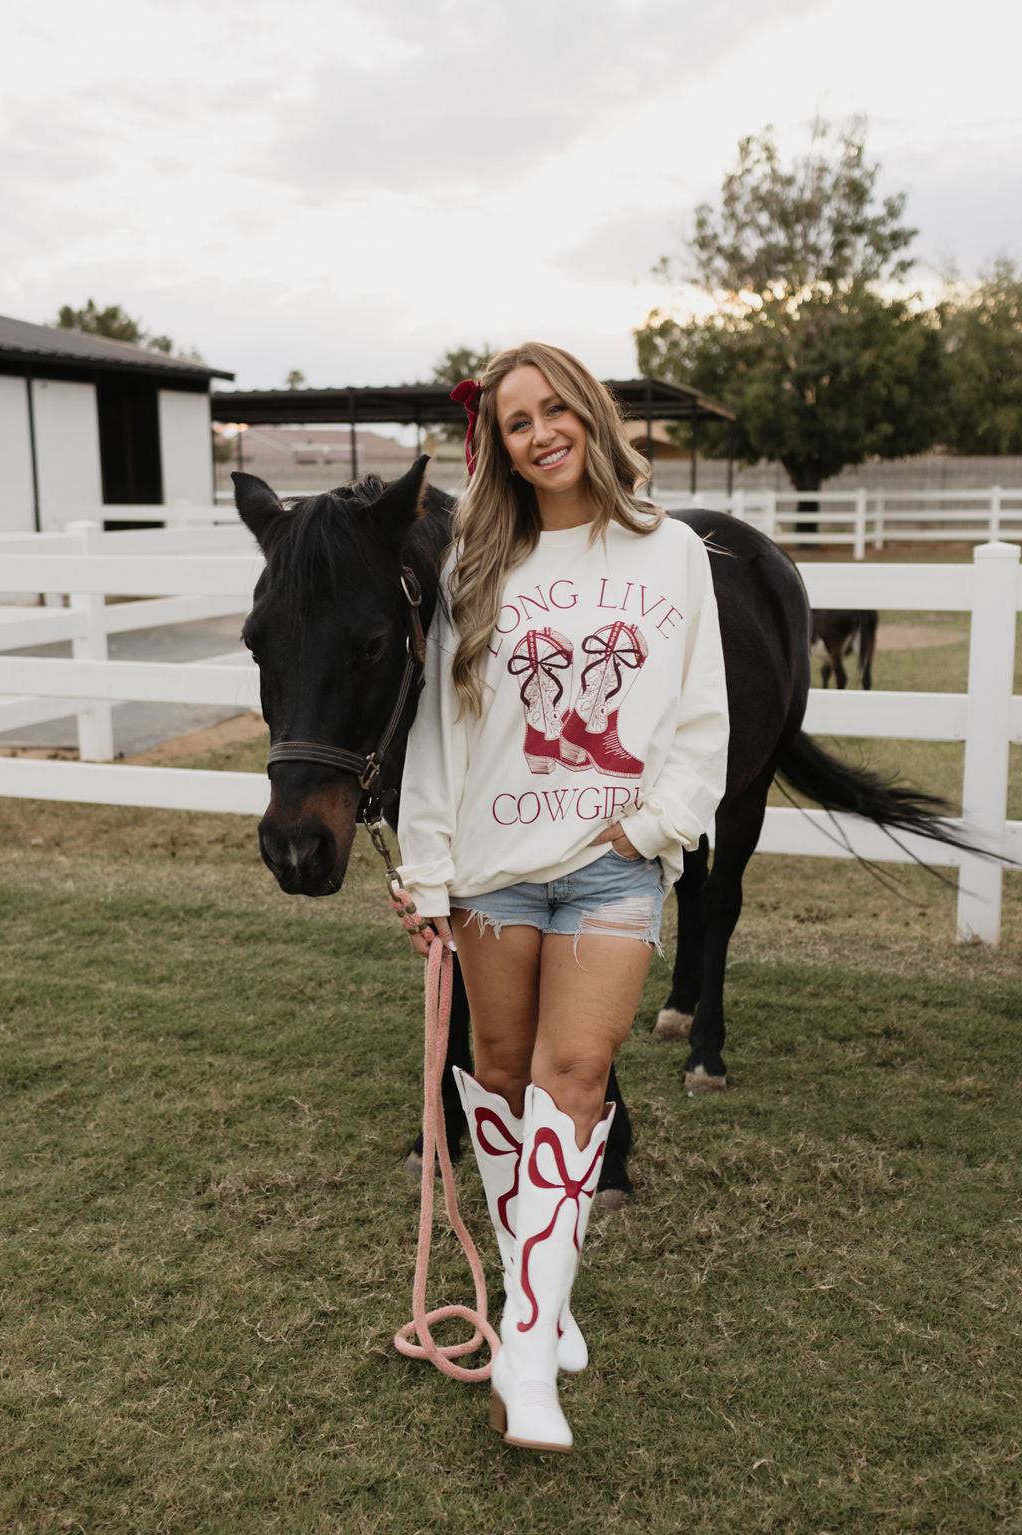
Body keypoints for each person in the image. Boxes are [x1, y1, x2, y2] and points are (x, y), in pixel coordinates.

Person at [397, 342, 729, 1454]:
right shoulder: (475, 566)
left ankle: (525, 1351)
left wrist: (646, 826)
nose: (538, 433)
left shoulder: (670, 551)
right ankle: (553, 1301)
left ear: (586, 413)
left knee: (574, 1076)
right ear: (494, 442)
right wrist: (428, 876)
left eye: (552, 410)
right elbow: (441, 740)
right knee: (496, 1074)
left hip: (609, 866)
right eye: (513, 421)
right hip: (493, 872)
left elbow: (698, 716)